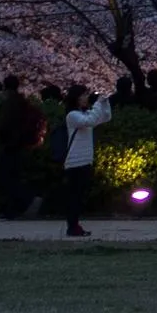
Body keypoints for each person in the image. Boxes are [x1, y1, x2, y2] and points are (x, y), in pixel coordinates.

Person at [59, 83, 110, 238]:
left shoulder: (85, 114)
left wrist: (104, 102)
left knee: (79, 197)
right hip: (74, 162)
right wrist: (97, 104)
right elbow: (90, 121)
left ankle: (75, 226)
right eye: (83, 95)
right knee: (74, 197)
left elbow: (105, 117)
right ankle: (72, 227)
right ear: (75, 98)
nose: (86, 98)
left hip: (85, 161)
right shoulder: (72, 116)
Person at [0, 73, 42, 219]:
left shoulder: (9, 103)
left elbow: (5, 124)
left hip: (10, 144)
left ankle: (20, 204)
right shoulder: (22, 101)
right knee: (13, 176)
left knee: (6, 178)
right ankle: (19, 205)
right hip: (20, 143)